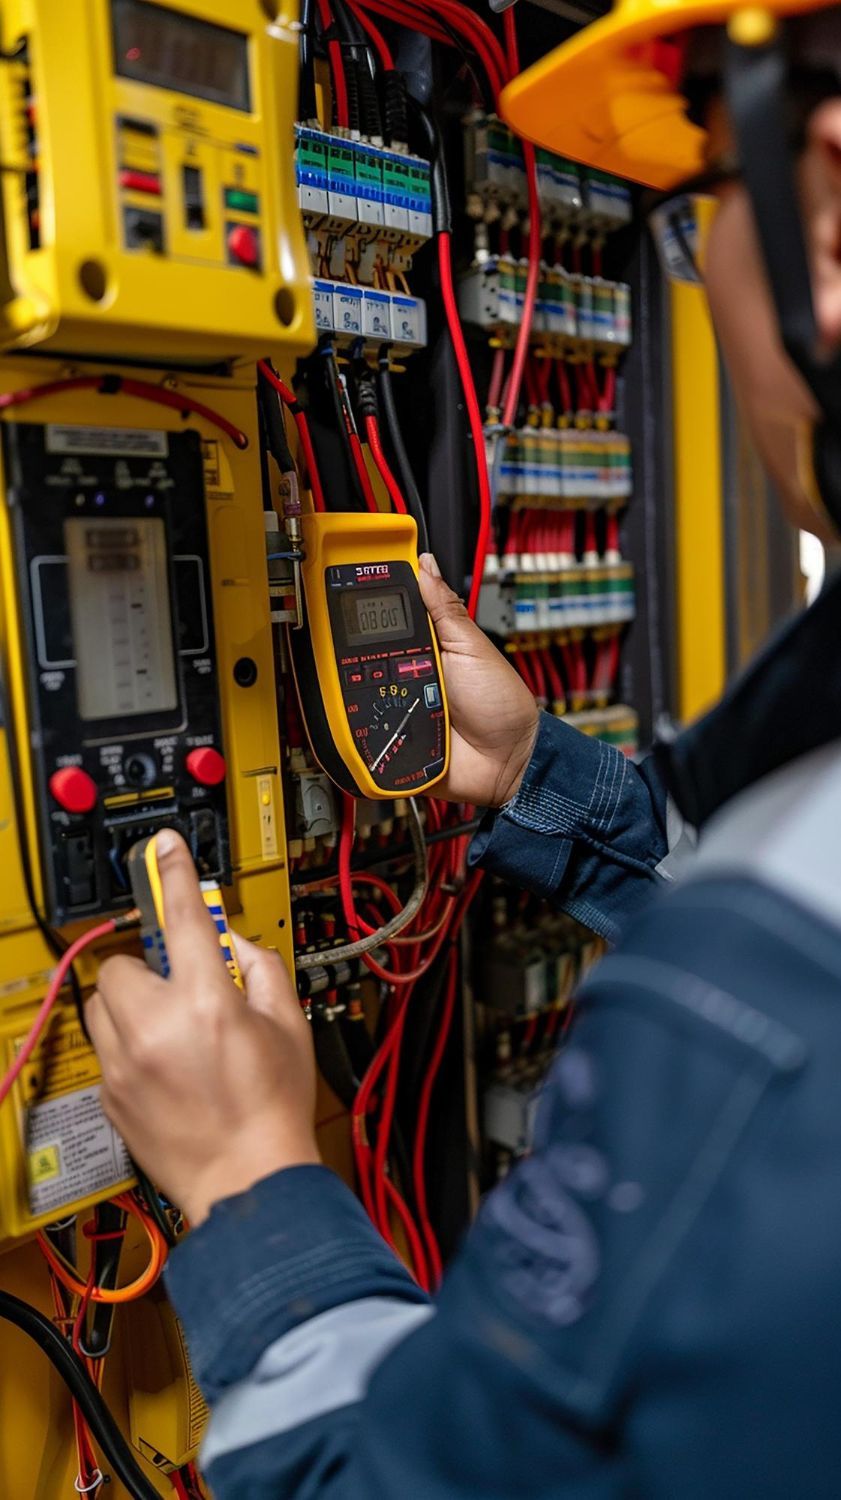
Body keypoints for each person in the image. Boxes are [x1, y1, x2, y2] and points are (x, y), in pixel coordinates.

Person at [88, 4, 841, 1495]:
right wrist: (543, 779)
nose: (696, 289)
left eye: (698, 229)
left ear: (823, 195)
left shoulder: (760, 993)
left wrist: (250, 1183)